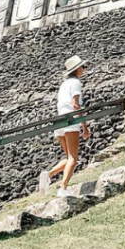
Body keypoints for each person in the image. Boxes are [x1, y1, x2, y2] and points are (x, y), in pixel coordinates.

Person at [39, 55, 89, 194]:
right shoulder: (76, 83)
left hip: (59, 120)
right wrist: (84, 126)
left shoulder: (64, 84)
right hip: (70, 119)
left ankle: (48, 175)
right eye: (82, 67)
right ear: (77, 69)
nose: (84, 69)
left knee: (68, 157)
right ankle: (63, 188)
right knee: (73, 158)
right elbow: (75, 104)